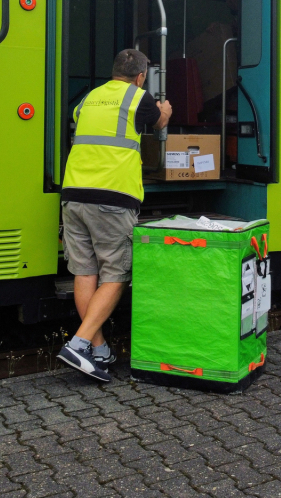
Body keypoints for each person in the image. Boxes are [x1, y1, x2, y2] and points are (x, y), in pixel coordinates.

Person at [57, 48, 172, 381]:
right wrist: (165, 110)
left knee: (84, 271)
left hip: (74, 194)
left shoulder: (89, 98)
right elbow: (158, 123)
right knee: (116, 274)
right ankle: (78, 344)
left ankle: (99, 349)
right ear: (140, 77)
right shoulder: (139, 98)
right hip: (112, 198)